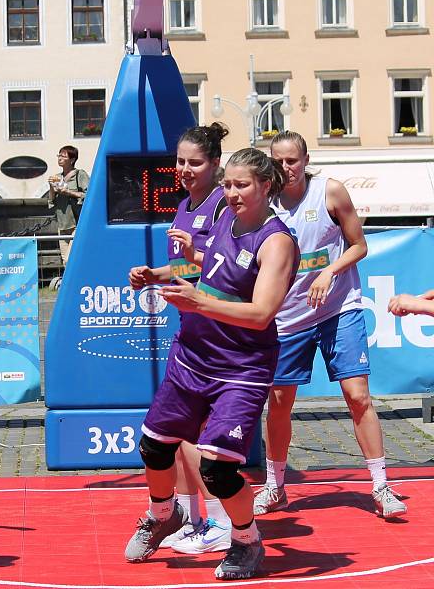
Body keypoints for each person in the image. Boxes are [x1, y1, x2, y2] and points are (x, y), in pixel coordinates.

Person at [125, 148, 299, 581]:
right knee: (154, 445)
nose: (232, 192)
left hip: (240, 367)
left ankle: (246, 541)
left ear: (265, 186)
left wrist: (200, 300)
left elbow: (261, 312)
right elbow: (214, 265)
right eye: (228, 184)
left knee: (218, 470)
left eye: (242, 185)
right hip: (194, 354)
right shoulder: (226, 218)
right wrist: (163, 274)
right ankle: (163, 514)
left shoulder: (277, 241)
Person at [254, 131, 407, 520]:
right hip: (288, 316)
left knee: (357, 395)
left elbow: (359, 245)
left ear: (306, 160)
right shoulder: (265, 202)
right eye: (279, 160)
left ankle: (381, 485)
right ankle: (275, 486)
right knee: (279, 402)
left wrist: (330, 272)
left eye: (293, 160)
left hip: (338, 308)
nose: (286, 168)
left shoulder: (330, 192)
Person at [128, 123, 232, 556]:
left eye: (195, 162)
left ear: (215, 164)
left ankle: (224, 524)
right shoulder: (186, 205)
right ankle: (191, 517)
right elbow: (188, 267)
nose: (185, 169)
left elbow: (233, 265)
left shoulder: (226, 205)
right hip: (192, 332)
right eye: (180, 161)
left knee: (207, 435)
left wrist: (192, 258)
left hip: (223, 333)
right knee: (178, 430)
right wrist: (156, 273)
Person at [48, 145, 89, 266]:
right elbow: (51, 201)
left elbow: (89, 195)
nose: (60, 158)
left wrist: (68, 192)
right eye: (59, 155)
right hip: (63, 224)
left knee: (69, 259)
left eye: (63, 156)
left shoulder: (79, 175)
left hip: (77, 223)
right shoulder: (57, 177)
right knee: (65, 261)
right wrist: (51, 187)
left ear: (72, 160)